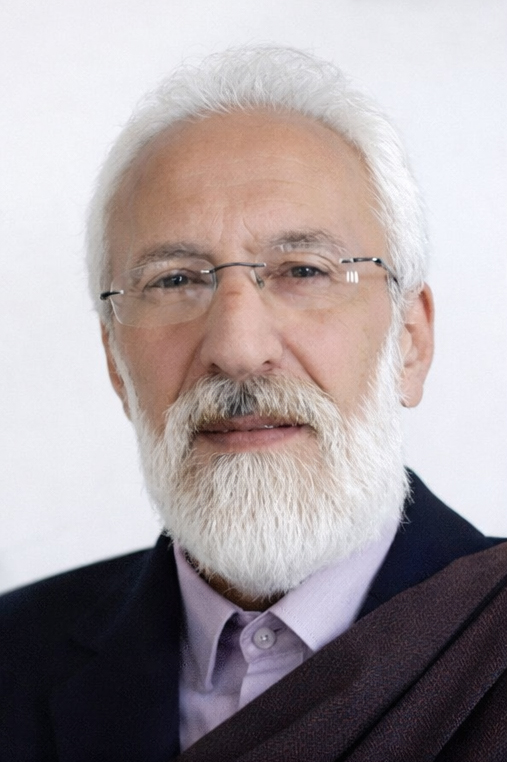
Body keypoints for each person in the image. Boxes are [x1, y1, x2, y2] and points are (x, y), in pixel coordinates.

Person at [1, 47, 506, 762]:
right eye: (175, 280)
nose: (238, 348)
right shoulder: (14, 659)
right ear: (116, 361)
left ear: (409, 341)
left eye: (303, 270)